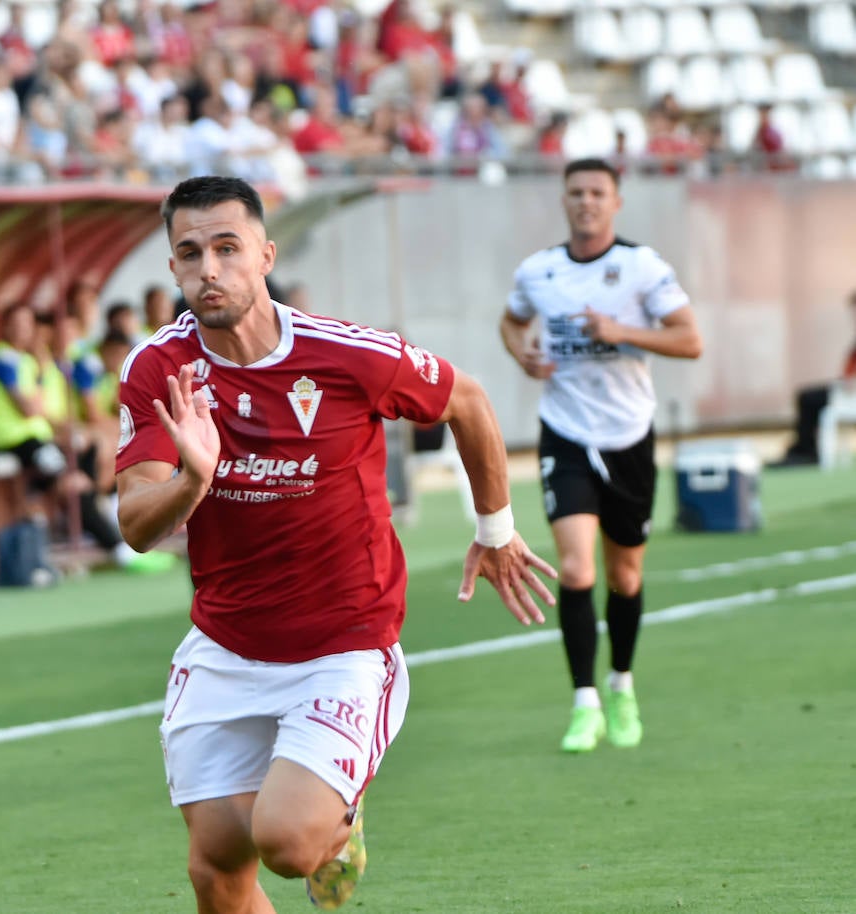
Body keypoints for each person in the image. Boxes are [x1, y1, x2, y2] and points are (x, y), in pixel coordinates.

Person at [115, 176, 557, 912]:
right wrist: (194, 481)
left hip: (344, 647)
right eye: (190, 253)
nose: (209, 269)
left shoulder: (344, 355)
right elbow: (136, 524)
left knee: (286, 843)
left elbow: (467, 401)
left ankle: (339, 825)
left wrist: (496, 530)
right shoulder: (159, 370)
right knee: (215, 867)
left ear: (264, 255)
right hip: (225, 646)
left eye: (228, 248)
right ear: (172, 270)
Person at [500, 158, 703, 754]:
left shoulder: (641, 268)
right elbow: (510, 323)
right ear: (564, 201)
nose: (586, 202)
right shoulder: (539, 272)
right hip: (565, 432)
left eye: (597, 192)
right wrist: (522, 355)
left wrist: (623, 332)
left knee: (625, 574)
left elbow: (690, 340)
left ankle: (623, 684)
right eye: (576, 192)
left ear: (616, 202)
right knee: (577, 569)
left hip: (629, 436)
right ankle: (584, 701)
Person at [770, 290, 856, 467]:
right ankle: (804, 447)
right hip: (844, 389)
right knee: (807, 396)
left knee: (808, 398)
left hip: (850, 395)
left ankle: (806, 451)